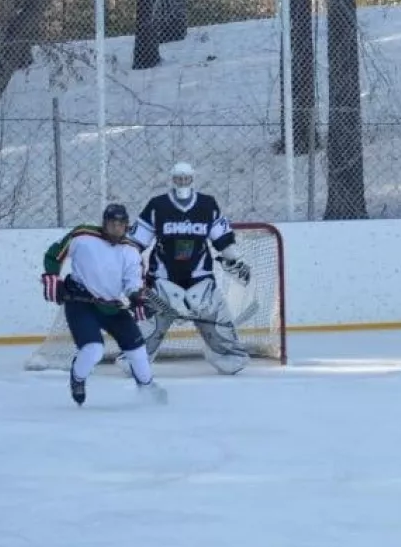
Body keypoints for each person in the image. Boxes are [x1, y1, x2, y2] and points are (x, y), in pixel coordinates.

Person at [130, 162, 253, 375]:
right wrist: (127, 267)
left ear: (193, 178)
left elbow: (222, 239)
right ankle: (135, 357)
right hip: (161, 275)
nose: (182, 182)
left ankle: (229, 355)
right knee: (152, 322)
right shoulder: (157, 205)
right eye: (178, 178)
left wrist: (235, 259)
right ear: (172, 179)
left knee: (211, 314)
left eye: (186, 178)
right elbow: (135, 243)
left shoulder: (207, 205)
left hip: (200, 274)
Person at [40, 203, 167, 406]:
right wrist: (52, 277)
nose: (116, 228)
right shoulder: (82, 236)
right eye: (112, 223)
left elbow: (132, 283)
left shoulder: (131, 251)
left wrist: (136, 297)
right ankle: (78, 378)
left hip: (112, 306)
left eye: (121, 224)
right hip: (80, 301)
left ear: (127, 226)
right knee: (93, 349)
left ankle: (147, 386)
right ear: (104, 224)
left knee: (137, 350)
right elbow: (54, 255)